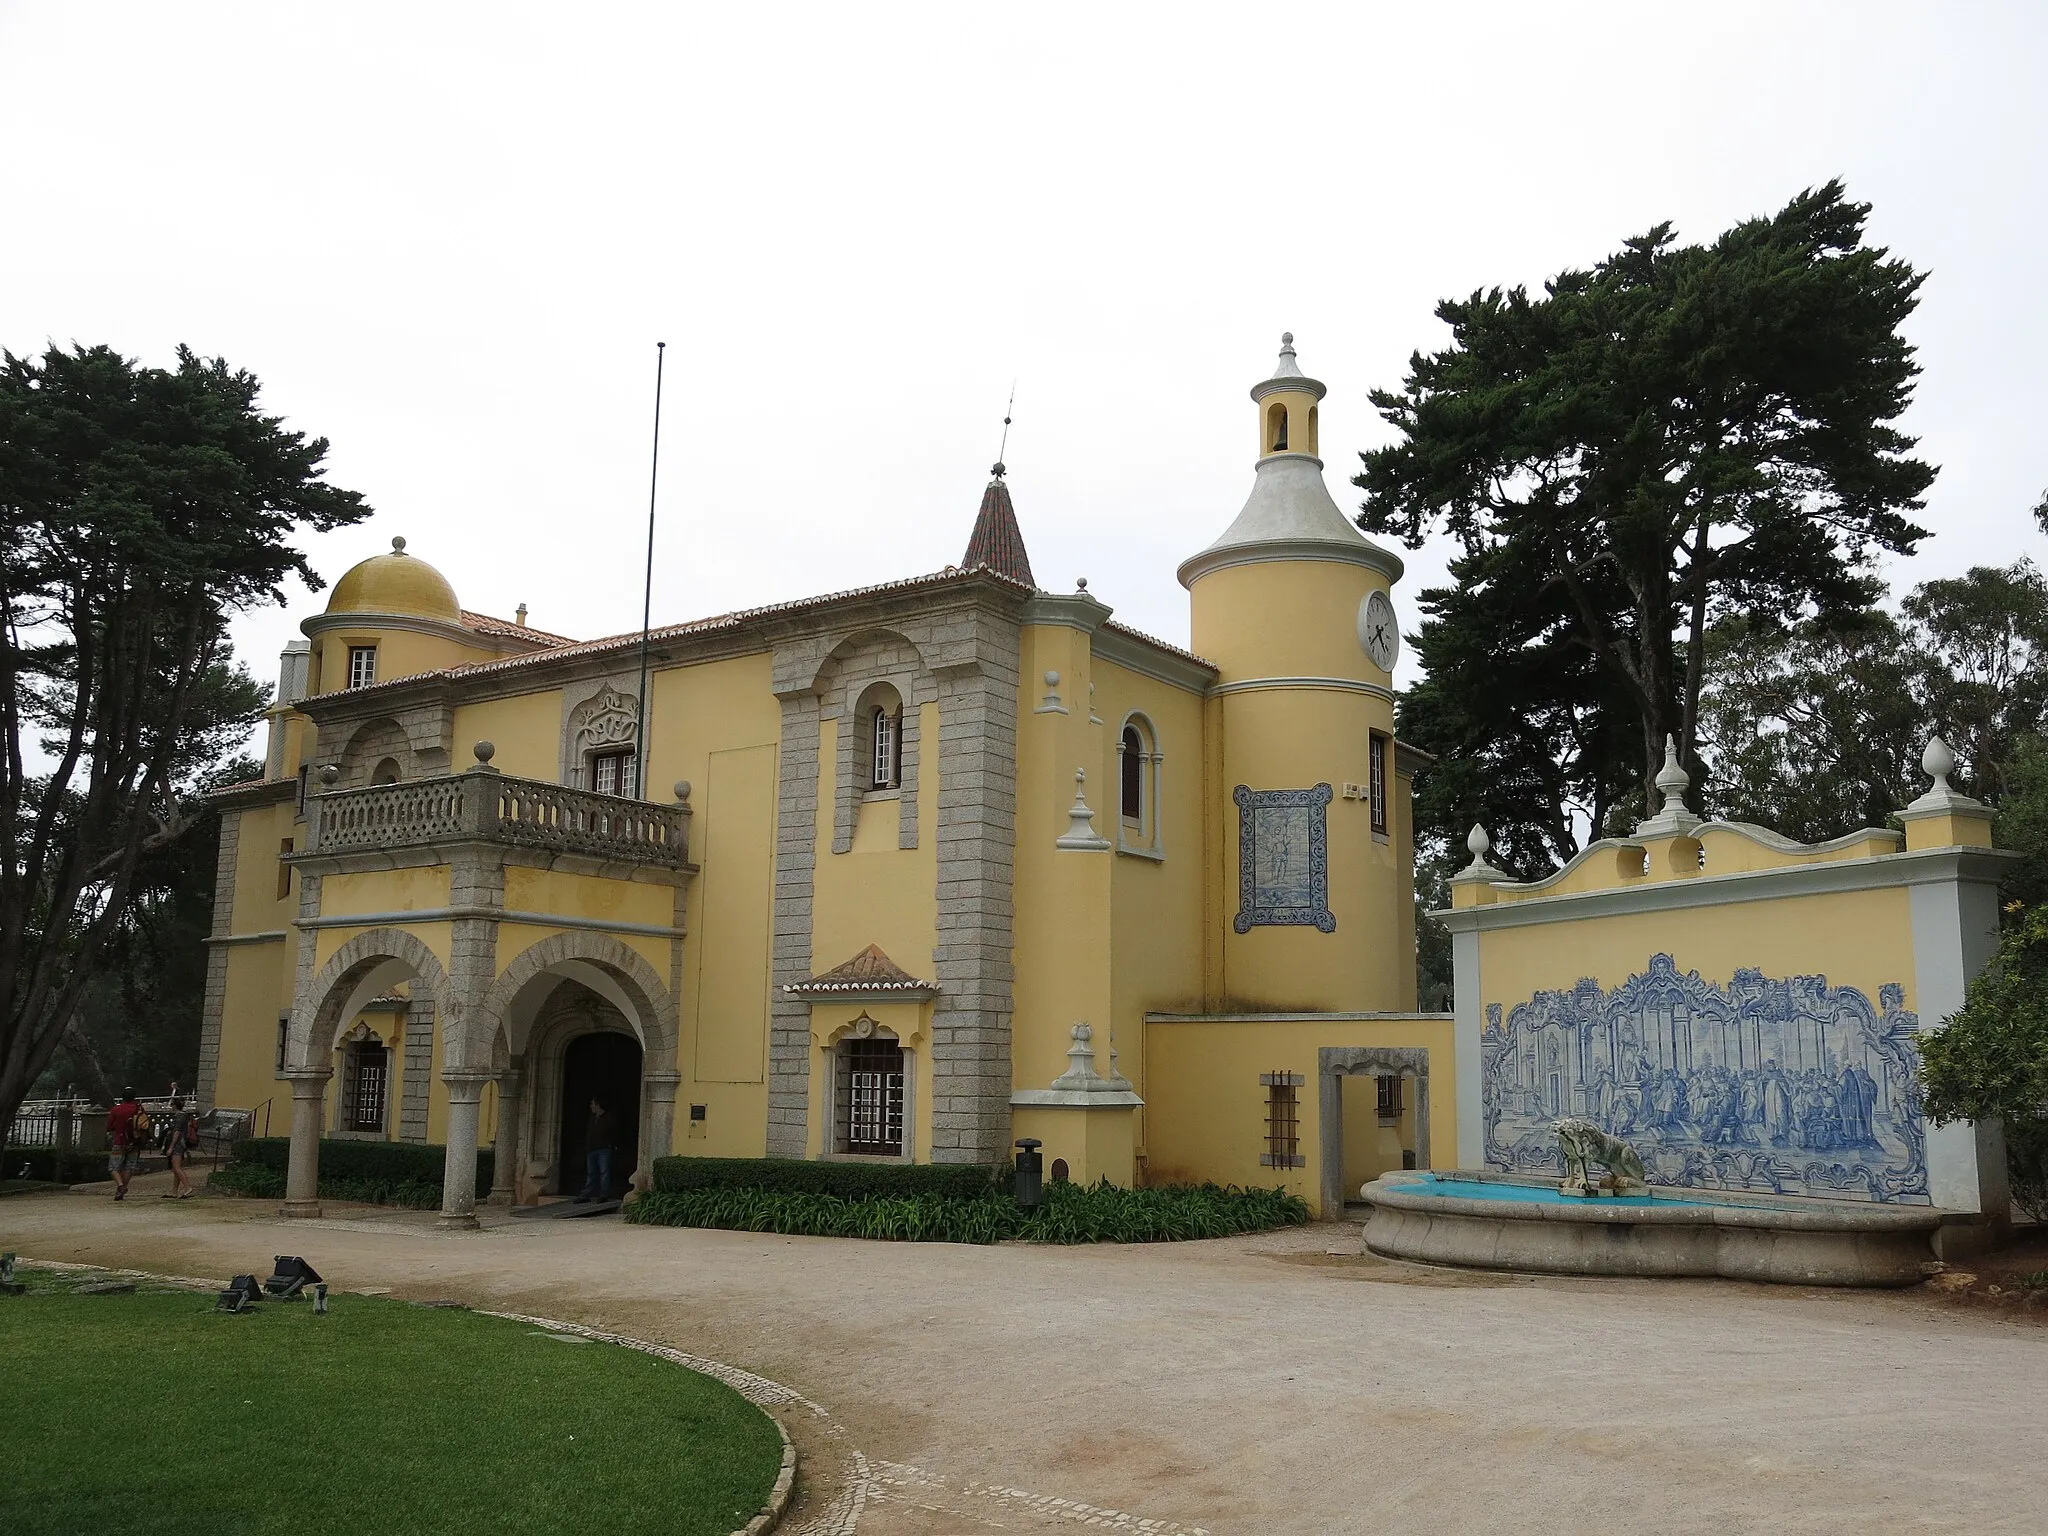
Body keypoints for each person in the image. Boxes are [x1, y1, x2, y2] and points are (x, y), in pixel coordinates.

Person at [105, 1087, 146, 1201]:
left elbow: (108, 1126)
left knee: (113, 1167)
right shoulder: (139, 1109)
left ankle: (120, 1185)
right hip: (134, 1142)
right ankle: (122, 1189)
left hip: (119, 1141)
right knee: (129, 1167)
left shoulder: (116, 1110)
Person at [577, 1097, 616, 1202]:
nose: (591, 1106)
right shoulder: (592, 1118)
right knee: (591, 1173)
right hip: (591, 1149)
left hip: (604, 1149)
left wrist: (611, 1145)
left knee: (604, 1172)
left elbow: (614, 1133)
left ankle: (603, 1195)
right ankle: (585, 1195)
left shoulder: (608, 1118)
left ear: (598, 1105)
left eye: (592, 1104)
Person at [162, 1094, 197, 1199]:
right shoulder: (183, 1116)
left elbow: (176, 1132)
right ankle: (174, 1191)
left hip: (177, 1145)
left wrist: (171, 1147)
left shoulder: (179, 1117)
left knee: (176, 1168)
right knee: (175, 1168)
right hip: (181, 1144)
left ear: (174, 1106)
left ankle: (188, 1187)